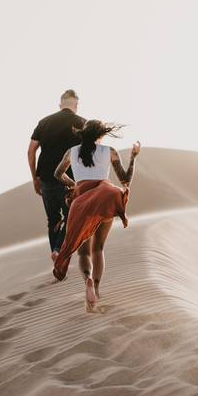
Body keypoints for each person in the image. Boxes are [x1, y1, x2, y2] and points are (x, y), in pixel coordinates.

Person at [51, 119, 140, 311]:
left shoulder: (71, 152)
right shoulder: (110, 151)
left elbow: (57, 173)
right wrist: (134, 156)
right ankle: (97, 288)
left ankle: (88, 280)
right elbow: (125, 179)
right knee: (98, 249)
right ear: (101, 134)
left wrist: (72, 184)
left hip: (82, 200)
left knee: (83, 252)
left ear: (83, 133)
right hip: (106, 197)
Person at [27, 89, 86, 262]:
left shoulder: (44, 122)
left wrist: (34, 178)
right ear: (76, 105)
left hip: (45, 178)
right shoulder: (82, 123)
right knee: (71, 217)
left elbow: (31, 151)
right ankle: (59, 250)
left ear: (60, 105)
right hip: (69, 179)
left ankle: (55, 250)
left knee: (53, 219)